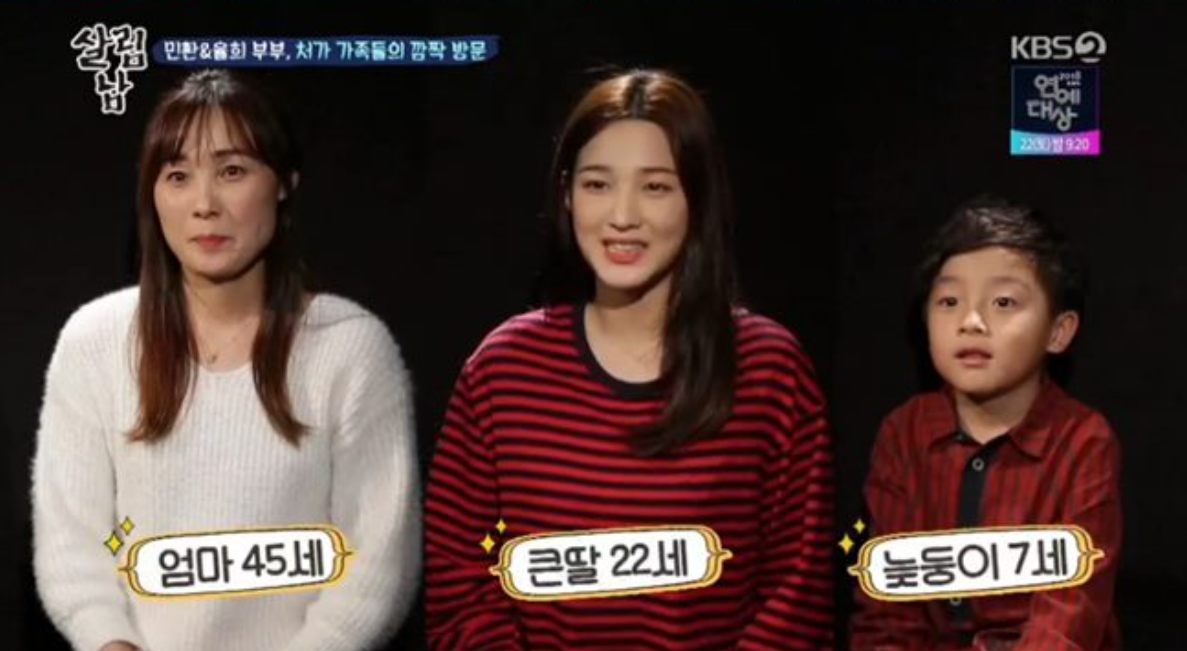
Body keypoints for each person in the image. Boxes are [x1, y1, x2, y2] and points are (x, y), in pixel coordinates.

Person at [424, 68, 835, 650]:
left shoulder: (770, 369)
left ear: (698, 199)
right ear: (567, 195)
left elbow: (798, 594)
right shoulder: (502, 370)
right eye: (597, 184)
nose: (622, 215)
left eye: (655, 187)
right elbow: (459, 584)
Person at [32, 69, 419, 651]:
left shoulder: (350, 347)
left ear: (284, 183)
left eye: (232, 171)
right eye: (178, 176)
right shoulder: (94, 342)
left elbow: (376, 566)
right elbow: (72, 546)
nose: (204, 205)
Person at [849, 196, 1122, 650]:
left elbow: (1068, 619)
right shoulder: (903, 432)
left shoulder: (1083, 440)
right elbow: (886, 611)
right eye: (949, 301)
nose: (971, 321)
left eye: (1003, 302)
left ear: (1058, 331)